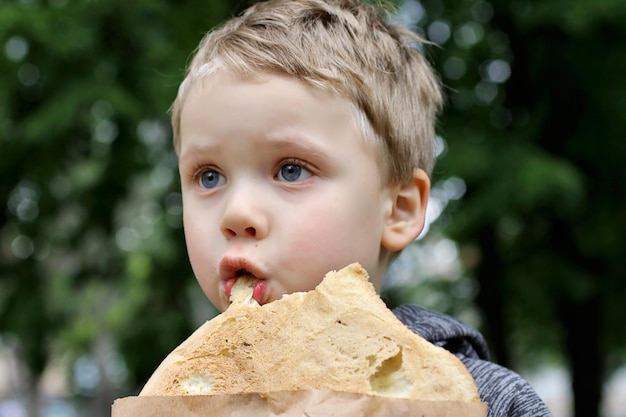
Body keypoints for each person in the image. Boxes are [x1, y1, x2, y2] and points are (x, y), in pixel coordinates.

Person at [171, 0, 553, 415]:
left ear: (399, 209)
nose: (236, 214)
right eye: (209, 176)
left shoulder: (480, 399)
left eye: (292, 170)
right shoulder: (181, 399)